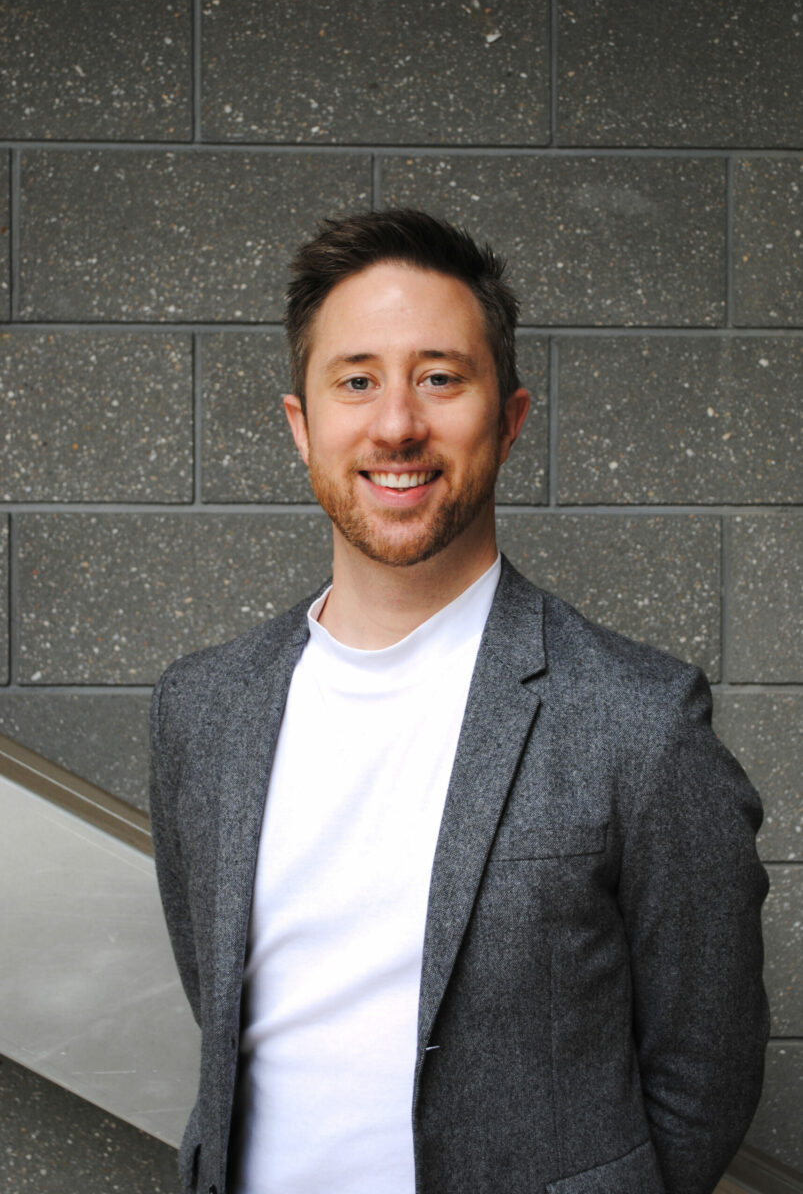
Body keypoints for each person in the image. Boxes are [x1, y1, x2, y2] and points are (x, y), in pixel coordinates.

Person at [149, 208, 769, 1194]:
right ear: (301, 427)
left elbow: (704, 1069)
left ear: (509, 418)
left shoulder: (637, 724)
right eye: (356, 381)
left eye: (439, 377)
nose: (396, 422)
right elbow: (220, 1009)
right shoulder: (201, 710)